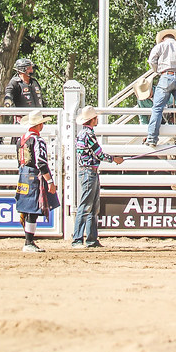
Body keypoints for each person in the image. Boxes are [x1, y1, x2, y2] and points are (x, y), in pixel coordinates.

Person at [72, 105, 123, 249]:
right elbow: (98, 153)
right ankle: (79, 239)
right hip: (89, 172)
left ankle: (91, 239)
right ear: (92, 119)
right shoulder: (88, 135)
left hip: (89, 171)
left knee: (91, 206)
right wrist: (114, 159)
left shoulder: (84, 134)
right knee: (87, 206)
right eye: (95, 118)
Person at [15, 109, 58, 253]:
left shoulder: (21, 140)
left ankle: (28, 240)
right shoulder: (37, 140)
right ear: (40, 125)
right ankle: (29, 242)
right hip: (33, 175)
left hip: (23, 173)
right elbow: (41, 162)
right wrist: (50, 181)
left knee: (27, 208)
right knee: (33, 208)